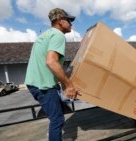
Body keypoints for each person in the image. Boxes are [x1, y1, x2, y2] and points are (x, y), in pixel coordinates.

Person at [25, 8, 79, 141]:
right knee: (57, 120)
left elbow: (50, 63)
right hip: (44, 87)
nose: (71, 24)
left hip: (36, 83)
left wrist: (63, 83)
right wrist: (69, 85)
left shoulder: (45, 35)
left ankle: (52, 135)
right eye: (69, 20)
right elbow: (51, 62)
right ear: (60, 21)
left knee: (59, 111)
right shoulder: (58, 35)